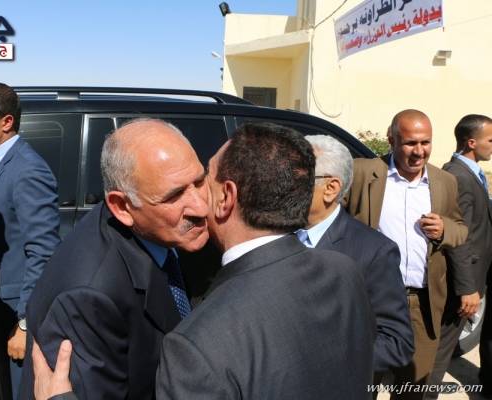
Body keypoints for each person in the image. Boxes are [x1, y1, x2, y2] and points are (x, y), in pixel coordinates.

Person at [155, 123, 375, 399]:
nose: (197, 194)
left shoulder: (194, 346)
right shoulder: (343, 270)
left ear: (226, 198)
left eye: (205, 179)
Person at [20, 118, 210, 399]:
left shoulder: (165, 233)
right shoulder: (90, 296)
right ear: (122, 207)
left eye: (200, 181)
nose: (201, 206)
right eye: (175, 195)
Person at [347, 109, 467, 399]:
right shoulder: (362, 173)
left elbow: (461, 229)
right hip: (369, 300)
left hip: (420, 304)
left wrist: (444, 229)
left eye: (425, 142)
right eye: (410, 143)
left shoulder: (444, 181)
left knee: (413, 387)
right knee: (360, 383)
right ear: (392, 140)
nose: (419, 151)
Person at [0, 82, 61, 400]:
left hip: (13, 320)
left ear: (6, 122)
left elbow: (43, 251)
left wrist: (24, 324)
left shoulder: (28, 169)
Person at [301, 134, 414, 378]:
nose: (282, 183)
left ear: (330, 188)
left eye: (296, 176)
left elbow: (396, 343)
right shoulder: (271, 234)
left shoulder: (374, 252)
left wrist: (323, 359)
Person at [425, 114, 492, 399]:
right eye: (490, 140)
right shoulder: (458, 176)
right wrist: (467, 287)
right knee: (441, 349)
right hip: (462, 280)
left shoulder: (470, 172)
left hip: (476, 273)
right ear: (472, 142)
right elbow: (459, 237)